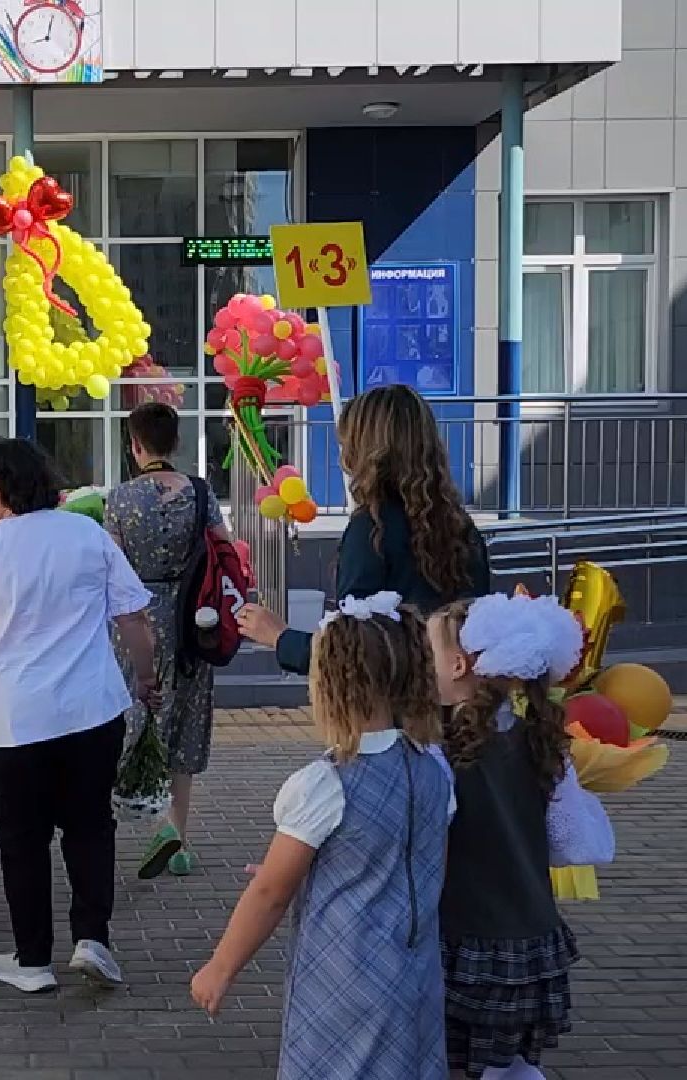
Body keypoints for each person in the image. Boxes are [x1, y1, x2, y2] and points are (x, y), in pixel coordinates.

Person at [0, 438, 160, 993]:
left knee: (23, 837)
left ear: (0, 485)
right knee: (90, 825)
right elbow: (135, 618)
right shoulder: (86, 534)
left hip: (15, 719)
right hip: (93, 707)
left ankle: (33, 958)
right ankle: (93, 938)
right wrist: (146, 678)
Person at [189, 592, 451, 1078]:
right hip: (415, 975)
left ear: (329, 686)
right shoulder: (432, 769)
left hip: (343, 980)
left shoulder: (324, 784)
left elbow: (270, 893)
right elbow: (403, 853)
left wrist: (220, 967)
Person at [428, 594, 587, 1080]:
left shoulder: (437, 752)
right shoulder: (539, 742)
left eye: (426, 653)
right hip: (534, 943)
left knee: (457, 1067)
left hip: (468, 943)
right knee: (513, 1067)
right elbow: (580, 845)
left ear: (457, 665)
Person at [237, 383, 490, 672]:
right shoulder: (461, 526)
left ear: (365, 451)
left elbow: (355, 652)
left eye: (347, 443)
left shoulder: (372, 529)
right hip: (454, 699)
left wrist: (280, 638)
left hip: (395, 704)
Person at [107, 401, 226, 880]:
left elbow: (112, 568)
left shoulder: (119, 499)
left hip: (137, 617)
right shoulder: (199, 493)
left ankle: (120, 819)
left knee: (133, 714)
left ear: (135, 446)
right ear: (175, 443)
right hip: (192, 619)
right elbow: (225, 546)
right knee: (186, 720)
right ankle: (176, 836)